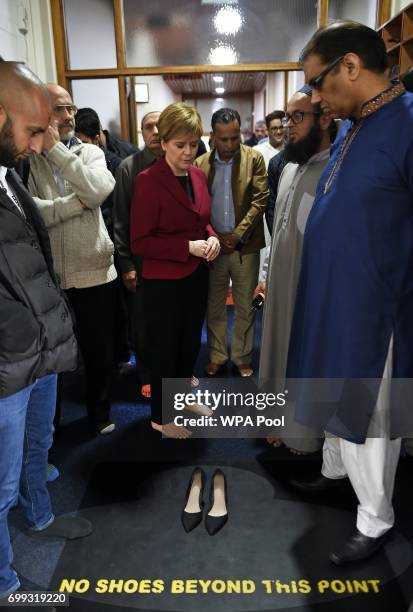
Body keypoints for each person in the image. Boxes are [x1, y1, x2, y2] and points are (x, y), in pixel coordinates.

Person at [286, 21, 413, 564]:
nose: (316, 98)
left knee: (369, 414)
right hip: (332, 297)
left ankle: (375, 518)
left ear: (352, 67)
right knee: (332, 391)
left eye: (318, 83)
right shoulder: (356, 123)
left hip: (372, 307)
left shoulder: (406, 124)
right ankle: (335, 474)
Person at [0, 61, 92, 600]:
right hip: (7, 361)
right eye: (33, 130)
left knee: (41, 446)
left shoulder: (11, 175)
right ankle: (7, 581)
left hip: (40, 348)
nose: (40, 145)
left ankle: (39, 518)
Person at [28, 84, 117, 436]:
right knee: (55, 360)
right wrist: (74, 205)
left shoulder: (90, 153)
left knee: (99, 354)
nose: (67, 117)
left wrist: (56, 150)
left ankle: (100, 415)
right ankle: (51, 428)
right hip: (49, 278)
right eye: (59, 109)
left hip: (96, 272)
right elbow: (34, 213)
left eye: (71, 109)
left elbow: (97, 190)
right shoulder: (27, 159)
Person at [130, 103, 220, 438]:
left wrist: (210, 239)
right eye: (180, 145)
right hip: (163, 283)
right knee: (165, 350)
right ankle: (161, 418)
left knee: (187, 346)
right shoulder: (148, 181)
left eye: (193, 144)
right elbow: (140, 242)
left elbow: (203, 221)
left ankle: (181, 401)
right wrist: (186, 247)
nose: (187, 152)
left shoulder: (197, 175)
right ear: (163, 142)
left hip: (196, 275)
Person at [257, 85, 333, 454]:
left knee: (301, 358)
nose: (288, 126)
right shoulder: (288, 168)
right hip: (281, 284)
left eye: (297, 117)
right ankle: (276, 423)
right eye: (287, 117)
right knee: (276, 350)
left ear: (326, 118)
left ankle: (300, 437)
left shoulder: (334, 171)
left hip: (309, 292)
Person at [195, 108, 268, 377]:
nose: (229, 145)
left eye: (234, 138)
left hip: (244, 247)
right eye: (223, 139)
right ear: (212, 136)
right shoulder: (200, 164)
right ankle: (216, 355)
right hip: (212, 247)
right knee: (213, 306)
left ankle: (241, 357)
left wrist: (237, 234)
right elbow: (198, 208)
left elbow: (260, 200)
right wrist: (213, 235)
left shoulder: (255, 159)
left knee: (244, 307)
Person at [113, 111, 162, 398]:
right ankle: (147, 373)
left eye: (159, 126)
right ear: (141, 132)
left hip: (174, 258)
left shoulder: (179, 162)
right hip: (141, 259)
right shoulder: (128, 168)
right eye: (148, 127)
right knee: (142, 320)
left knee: (171, 319)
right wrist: (126, 264)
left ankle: (174, 370)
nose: (155, 131)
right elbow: (120, 221)